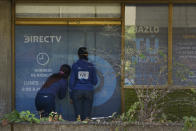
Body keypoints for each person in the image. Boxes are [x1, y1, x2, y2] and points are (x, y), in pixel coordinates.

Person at [69, 47, 98, 121]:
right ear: (87, 55)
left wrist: (71, 96)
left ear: (78, 55)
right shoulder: (91, 66)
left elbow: (71, 83)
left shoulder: (75, 65)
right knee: (87, 117)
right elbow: (95, 81)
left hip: (77, 91)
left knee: (78, 116)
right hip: (89, 91)